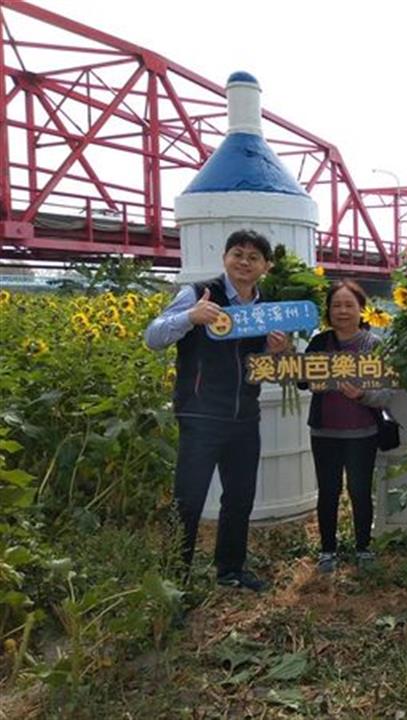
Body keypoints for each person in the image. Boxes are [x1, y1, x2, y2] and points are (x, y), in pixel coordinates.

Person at [145, 229, 287, 592]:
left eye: (254, 257)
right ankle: (174, 579)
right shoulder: (199, 294)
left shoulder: (266, 306)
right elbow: (153, 338)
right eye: (238, 254)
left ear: (265, 267)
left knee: (240, 497)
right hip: (200, 414)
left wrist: (278, 352)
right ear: (225, 258)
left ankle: (231, 570)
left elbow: (272, 367)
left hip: (245, 415)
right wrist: (191, 317)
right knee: (188, 499)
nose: (244, 262)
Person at [301, 280, 392, 573]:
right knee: (327, 491)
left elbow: (386, 392)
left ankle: (363, 546)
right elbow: (302, 381)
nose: (342, 311)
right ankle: (328, 549)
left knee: (360, 490)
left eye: (349, 305)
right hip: (324, 432)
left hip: (362, 432)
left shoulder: (374, 345)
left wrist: (362, 394)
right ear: (328, 310)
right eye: (336, 305)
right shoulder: (319, 342)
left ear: (361, 309)